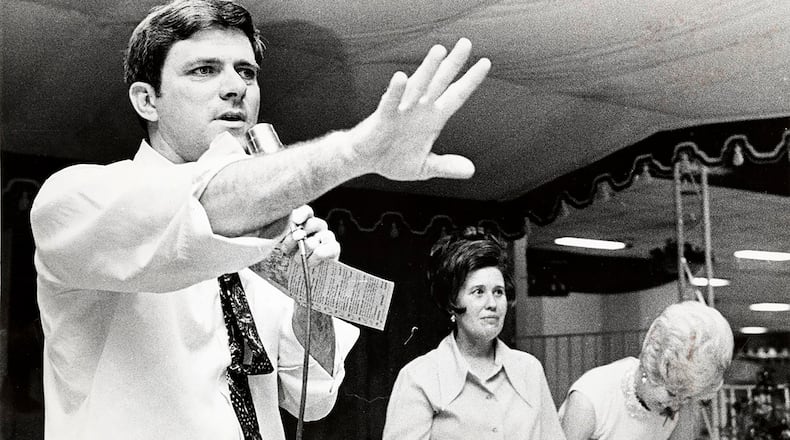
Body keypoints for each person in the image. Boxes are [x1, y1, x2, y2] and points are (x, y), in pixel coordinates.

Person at [29, 0, 491, 438]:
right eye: (204, 70)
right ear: (147, 100)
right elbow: (202, 208)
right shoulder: (78, 199)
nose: (235, 87)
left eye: (245, 71)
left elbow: (313, 398)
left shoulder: (272, 226)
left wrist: (315, 295)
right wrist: (356, 152)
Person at [382, 228, 565, 439]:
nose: (492, 304)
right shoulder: (419, 377)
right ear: (452, 303)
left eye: (498, 292)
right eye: (478, 292)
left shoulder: (529, 369)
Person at [558, 300, 734, 440]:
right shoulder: (591, 398)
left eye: (687, 397)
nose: (676, 405)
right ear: (650, 368)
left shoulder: (681, 405)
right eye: (672, 393)